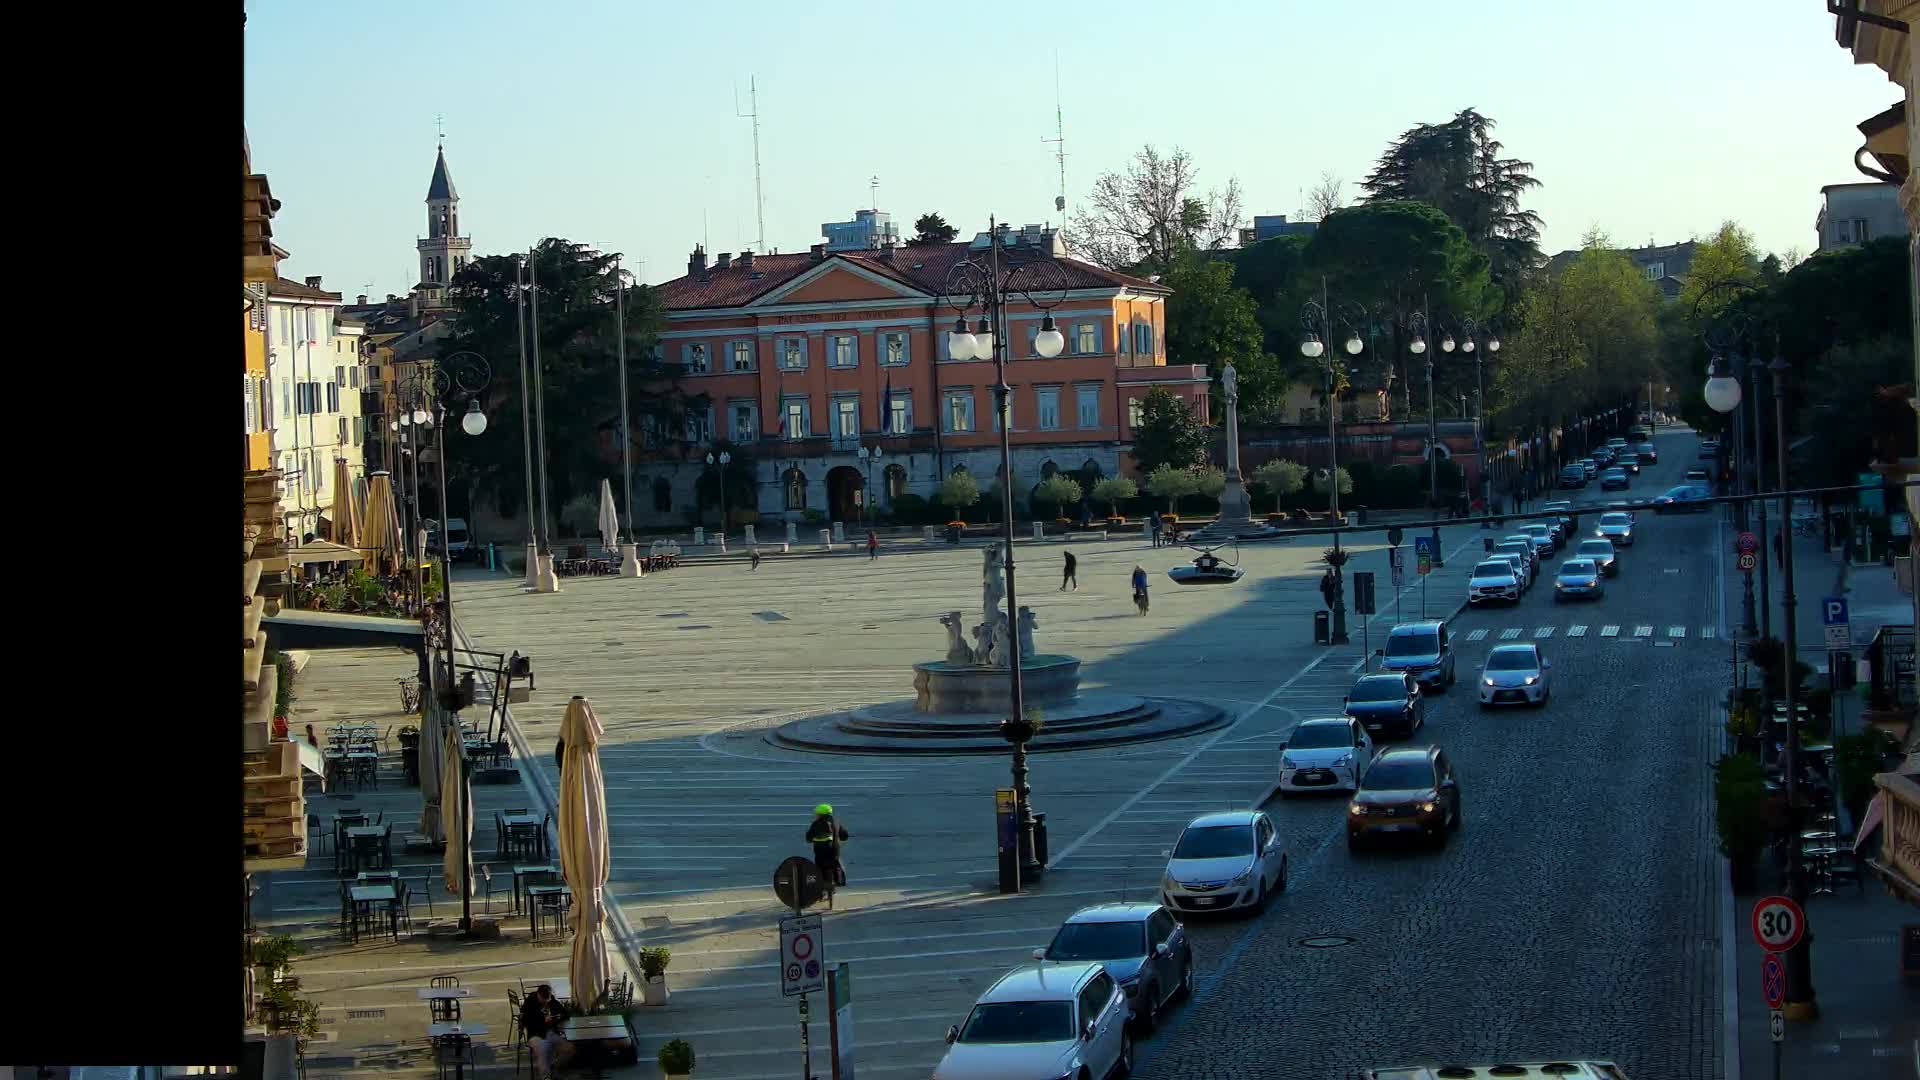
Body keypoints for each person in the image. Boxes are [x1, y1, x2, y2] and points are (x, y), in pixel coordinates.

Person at [520, 983, 574, 1080]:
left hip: (551, 1033)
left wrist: (557, 1017)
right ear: (538, 995)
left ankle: (554, 1066)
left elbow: (566, 1014)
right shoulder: (530, 1002)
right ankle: (546, 1077)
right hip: (535, 1035)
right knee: (543, 1050)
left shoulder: (551, 1000)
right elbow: (524, 1021)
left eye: (547, 1000)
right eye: (543, 1000)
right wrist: (541, 1020)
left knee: (570, 1049)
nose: (546, 1002)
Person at [806, 803, 850, 906]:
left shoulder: (815, 824)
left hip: (820, 854)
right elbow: (845, 836)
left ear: (820, 814)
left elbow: (808, 839)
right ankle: (836, 883)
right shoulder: (836, 822)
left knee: (818, 870)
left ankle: (820, 892)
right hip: (834, 852)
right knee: (836, 865)